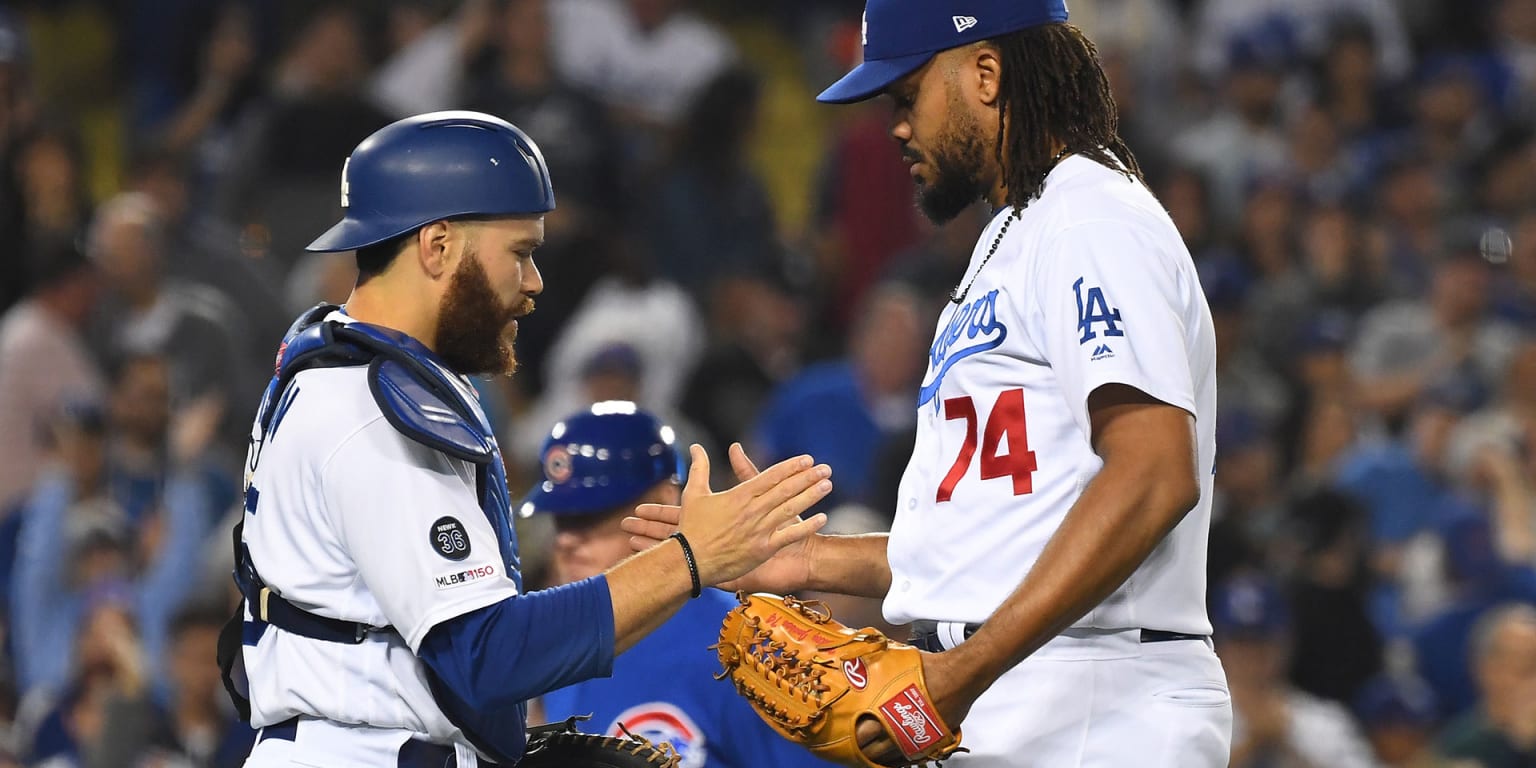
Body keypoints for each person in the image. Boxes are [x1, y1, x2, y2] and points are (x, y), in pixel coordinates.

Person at [626, 1, 1232, 764]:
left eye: (906, 95)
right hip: (1024, 684)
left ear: (985, 72)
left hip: (1095, 697)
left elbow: (1154, 473)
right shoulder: (1013, 235)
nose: (898, 127)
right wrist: (812, 563)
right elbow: (996, 536)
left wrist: (960, 675)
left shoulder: (1088, 219)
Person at [220, 110, 834, 767]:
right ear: (438, 246)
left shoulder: (357, 375)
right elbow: (487, 655)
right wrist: (690, 558)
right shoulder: (371, 411)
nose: (535, 281)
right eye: (520, 252)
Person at [522, 402, 838, 768]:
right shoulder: (563, 640)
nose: (566, 541)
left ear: (663, 501)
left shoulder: (746, 645)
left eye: (592, 517)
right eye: (561, 520)